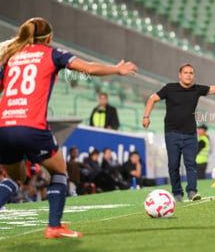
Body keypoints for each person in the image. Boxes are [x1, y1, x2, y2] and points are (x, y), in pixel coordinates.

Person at [0, 17, 137, 238]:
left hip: (4, 126)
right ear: (49, 37)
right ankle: (54, 226)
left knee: (15, 179)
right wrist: (116, 69)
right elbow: (89, 69)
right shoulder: (54, 54)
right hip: (31, 125)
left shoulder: (11, 57)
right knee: (59, 171)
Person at [142, 63, 215, 202]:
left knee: (191, 164)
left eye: (191, 73)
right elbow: (152, 99)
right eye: (186, 72)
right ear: (180, 75)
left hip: (190, 134)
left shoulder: (196, 89)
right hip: (172, 133)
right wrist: (146, 116)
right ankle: (177, 193)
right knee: (173, 165)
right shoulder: (170, 88)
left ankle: (192, 191)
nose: (189, 75)